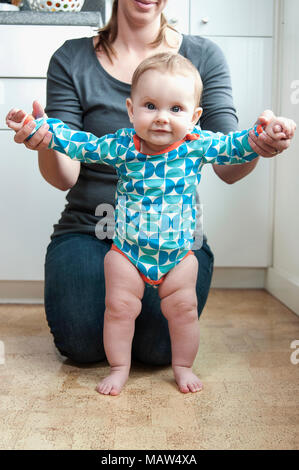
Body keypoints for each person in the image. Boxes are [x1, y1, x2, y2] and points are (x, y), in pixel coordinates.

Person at [5, 0, 296, 373]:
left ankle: (176, 364)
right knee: (83, 342)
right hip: (98, 232)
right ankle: (119, 366)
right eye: (149, 107)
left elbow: (231, 149)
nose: (161, 119)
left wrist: (260, 140)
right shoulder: (115, 130)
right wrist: (45, 136)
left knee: (162, 347)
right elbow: (79, 147)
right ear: (130, 110)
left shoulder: (197, 135)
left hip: (176, 245)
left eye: (175, 110)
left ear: (193, 118)